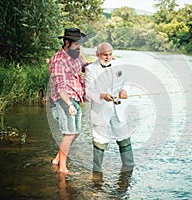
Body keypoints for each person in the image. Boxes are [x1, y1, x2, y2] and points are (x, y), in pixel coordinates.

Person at [85, 42, 135, 173]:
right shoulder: (91, 69)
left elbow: (127, 82)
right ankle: (97, 171)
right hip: (101, 109)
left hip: (118, 109)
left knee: (124, 137)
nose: (108, 57)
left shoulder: (119, 65)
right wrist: (102, 95)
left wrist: (125, 91)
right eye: (104, 55)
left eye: (110, 54)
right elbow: (89, 91)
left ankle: (129, 167)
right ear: (97, 54)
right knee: (99, 139)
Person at [49, 28, 88, 175]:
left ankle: (57, 159)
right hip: (63, 100)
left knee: (75, 132)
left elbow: (82, 67)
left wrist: (100, 62)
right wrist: (69, 104)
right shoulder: (58, 61)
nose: (79, 46)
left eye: (80, 43)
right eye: (76, 43)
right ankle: (63, 169)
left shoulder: (76, 55)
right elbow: (60, 89)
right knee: (69, 133)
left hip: (76, 97)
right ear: (67, 42)